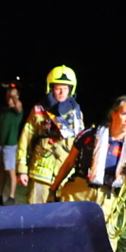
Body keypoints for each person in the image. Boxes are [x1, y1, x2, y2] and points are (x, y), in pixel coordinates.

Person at [52, 96, 126, 250]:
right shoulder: (90, 135)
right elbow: (69, 162)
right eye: (125, 114)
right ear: (114, 114)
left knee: (105, 247)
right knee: (67, 239)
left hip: (108, 199)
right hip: (79, 193)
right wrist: (53, 188)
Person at [16, 66, 84, 204]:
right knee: (35, 217)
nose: (61, 92)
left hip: (65, 177)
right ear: (51, 87)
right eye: (58, 87)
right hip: (41, 173)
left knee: (60, 220)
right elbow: (25, 139)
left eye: (65, 88)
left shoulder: (77, 114)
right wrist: (21, 169)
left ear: (71, 89)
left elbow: (80, 145)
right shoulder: (38, 110)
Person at [0, 86, 22, 206]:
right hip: (1, 144)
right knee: (0, 171)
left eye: (13, 96)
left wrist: (13, 95)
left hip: (10, 145)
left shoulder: (17, 112)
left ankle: (11, 197)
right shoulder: (4, 111)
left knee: (11, 171)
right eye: (8, 96)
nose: (9, 98)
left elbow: (18, 106)